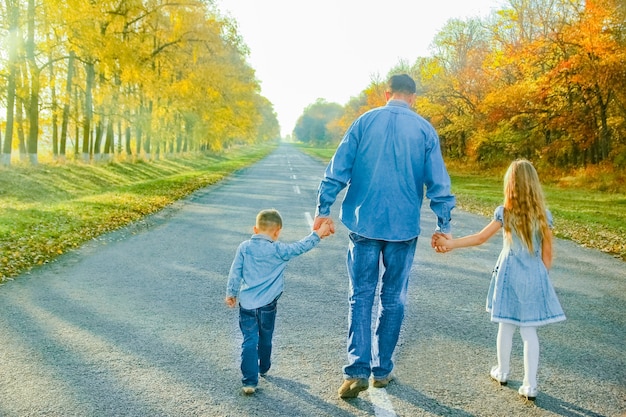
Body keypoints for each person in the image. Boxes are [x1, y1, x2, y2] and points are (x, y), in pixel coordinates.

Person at [313, 74, 456, 399]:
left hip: (364, 225)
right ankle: (382, 370)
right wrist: (442, 226)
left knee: (361, 296)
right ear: (413, 98)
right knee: (393, 299)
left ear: (387, 93)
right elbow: (439, 184)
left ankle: (356, 371)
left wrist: (323, 209)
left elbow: (337, 170)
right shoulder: (424, 130)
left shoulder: (364, 122)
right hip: (403, 230)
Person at [433, 159, 566, 401]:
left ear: (510, 184)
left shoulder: (504, 212)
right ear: (534, 185)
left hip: (509, 273)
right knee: (529, 331)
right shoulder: (544, 216)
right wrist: (540, 277)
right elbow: (547, 254)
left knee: (505, 325)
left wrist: (451, 243)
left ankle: (502, 371)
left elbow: (480, 238)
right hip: (534, 275)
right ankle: (530, 385)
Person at [225, 209, 332, 395]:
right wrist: (318, 234)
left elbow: (236, 272)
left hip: (247, 305)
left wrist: (231, 293)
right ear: (277, 231)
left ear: (255, 229)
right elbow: (300, 247)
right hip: (267, 306)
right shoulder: (279, 250)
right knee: (265, 337)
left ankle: (249, 381)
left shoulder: (244, 247)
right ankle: (264, 366)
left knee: (249, 340)